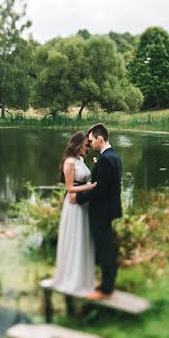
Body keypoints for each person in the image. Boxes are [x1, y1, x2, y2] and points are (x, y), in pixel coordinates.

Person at [70, 123, 122, 300]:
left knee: (104, 248)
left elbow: (101, 190)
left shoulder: (106, 159)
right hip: (108, 209)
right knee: (106, 246)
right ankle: (107, 284)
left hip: (102, 211)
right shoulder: (112, 156)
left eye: (91, 140)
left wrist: (79, 198)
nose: (90, 144)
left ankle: (106, 290)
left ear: (100, 139)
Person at [50, 131, 98, 296]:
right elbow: (69, 188)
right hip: (74, 205)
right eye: (86, 145)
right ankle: (71, 278)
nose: (88, 148)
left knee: (83, 238)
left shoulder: (81, 160)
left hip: (83, 203)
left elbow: (84, 179)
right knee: (75, 238)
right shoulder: (69, 162)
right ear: (77, 144)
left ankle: (83, 277)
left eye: (88, 145)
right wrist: (90, 187)